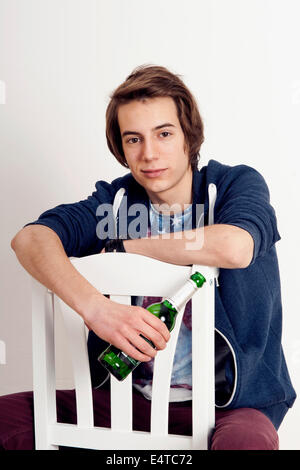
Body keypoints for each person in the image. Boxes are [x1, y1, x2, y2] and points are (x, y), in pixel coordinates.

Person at [3, 64, 296, 450]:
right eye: (133, 139)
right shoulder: (115, 202)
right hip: (128, 399)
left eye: (164, 134)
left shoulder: (232, 186)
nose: (150, 153)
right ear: (121, 148)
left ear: (189, 136)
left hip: (232, 407)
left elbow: (235, 247)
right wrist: (97, 309)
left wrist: (129, 248)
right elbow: (30, 240)